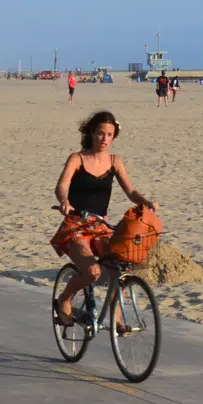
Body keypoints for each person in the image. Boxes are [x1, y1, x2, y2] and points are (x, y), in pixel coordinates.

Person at [50, 111, 158, 327]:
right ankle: (64, 299)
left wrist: (146, 202)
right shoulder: (77, 158)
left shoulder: (115, 161)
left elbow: (130, 191)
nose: (104, 139)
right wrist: (65, 201)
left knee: (121, 268)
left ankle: (116, 320)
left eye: (109, 135)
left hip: (101, 226)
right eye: (100, 134)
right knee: (92, 271)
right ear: (91, 133)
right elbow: (62, 185)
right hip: (76, 225)